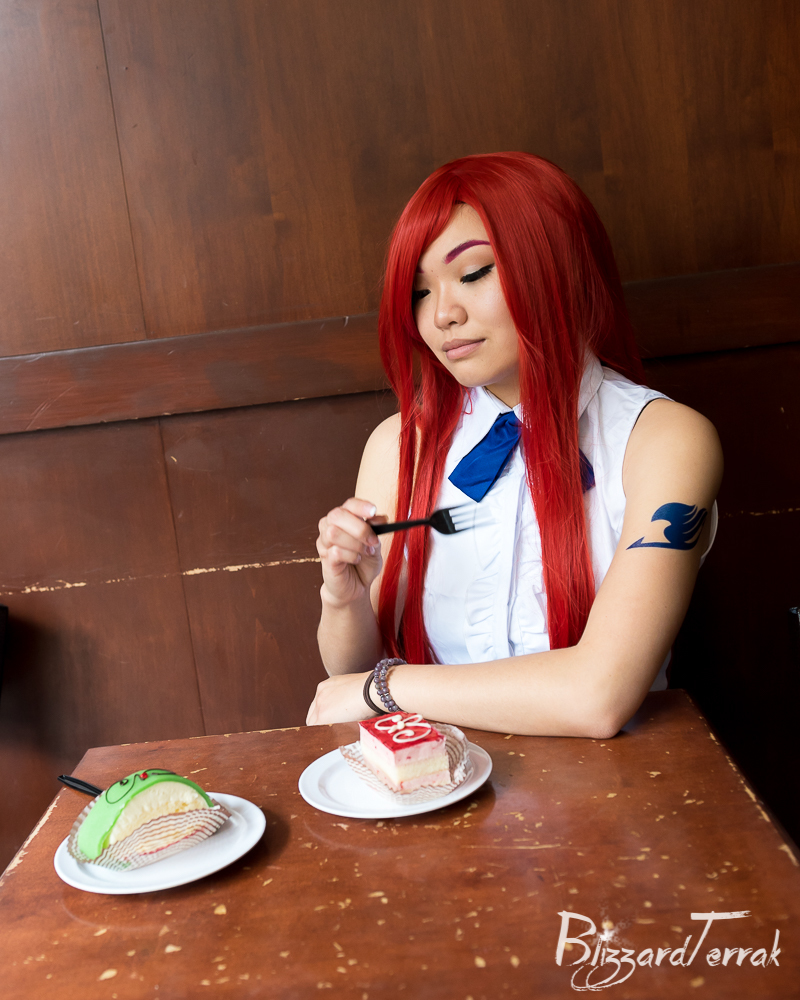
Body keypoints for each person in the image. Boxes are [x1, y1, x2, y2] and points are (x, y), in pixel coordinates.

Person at [307, 152, 722, 738]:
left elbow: (599, 697)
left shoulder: (665, 440)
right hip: (436, 774)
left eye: (474, 273)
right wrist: (342, 597)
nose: (442, 314)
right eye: (419, 292)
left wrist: (386, 688)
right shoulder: (399, 446)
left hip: (615, 782)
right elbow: (347, 678)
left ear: (557, 266)